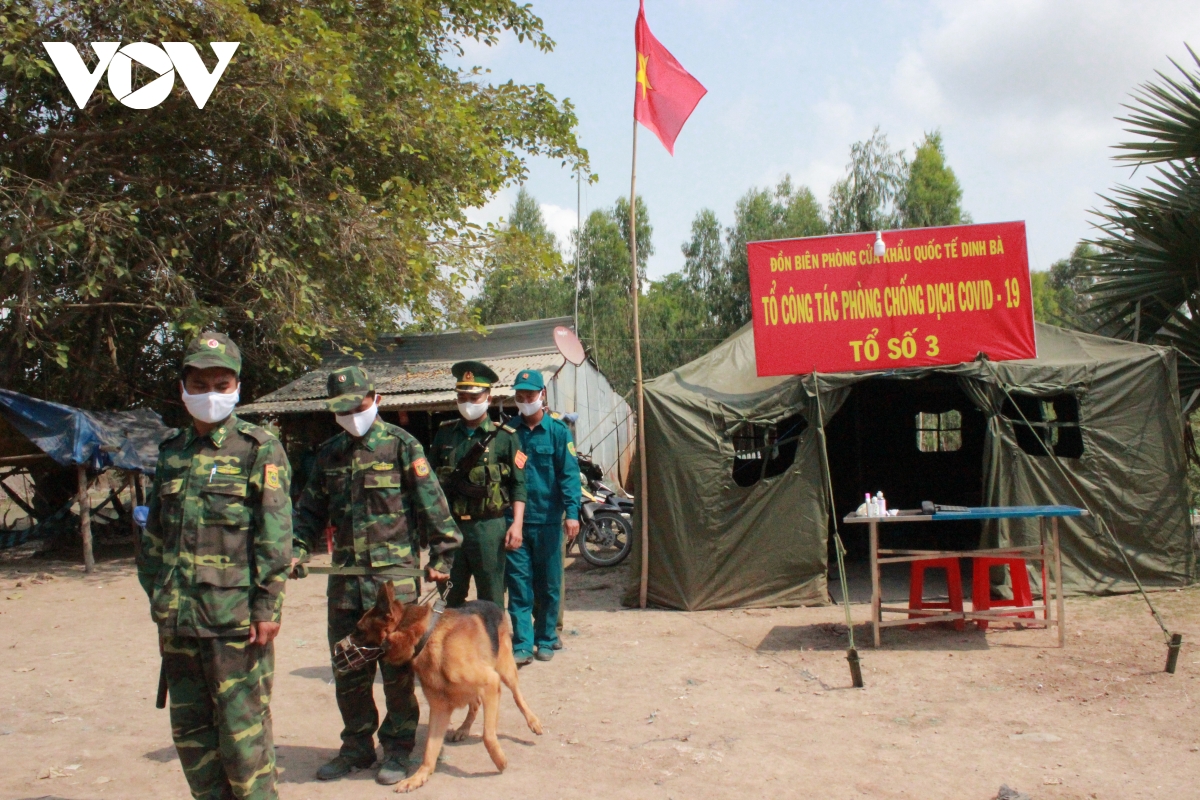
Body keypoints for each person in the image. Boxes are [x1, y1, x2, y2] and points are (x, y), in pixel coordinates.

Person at [138, 331, 292, 800]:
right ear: (182, 387)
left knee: (243, 741)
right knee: (192, 740)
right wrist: (163, 600)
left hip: (235, 625)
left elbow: (274, 535)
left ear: (238, 386)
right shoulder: (172, 452)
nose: (210, 393)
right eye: (200, 382)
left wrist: (266, 609)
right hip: (180, 624)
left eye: (221, 383)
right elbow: (154, 539)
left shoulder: (258, 448)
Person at [291, 366, 461, 786]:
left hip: (394, 589)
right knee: (348, 668)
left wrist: (442, 554)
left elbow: (434, 507)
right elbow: (308, 511)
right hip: (346, 585)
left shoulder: (403, 446)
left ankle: (400, 749)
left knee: (398, 674)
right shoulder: (328, 453)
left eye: (358, 404)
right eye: (341, 408)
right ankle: (356, 747)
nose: (351, 413)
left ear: (376, 399)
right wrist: (295, 547)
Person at [430, 361, 526, 608]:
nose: (467, 402)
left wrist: (516, 524)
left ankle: (494, 647)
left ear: (488, 398)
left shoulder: (504, 438)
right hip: (450, 531)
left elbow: (518, 485)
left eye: (474, 396)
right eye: (462, 397)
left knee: (491, 601)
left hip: (489, 528)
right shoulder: (445, 434)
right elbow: (428, 486)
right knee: (450, 600)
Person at [505, 368, 581, 664]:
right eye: (520, 396)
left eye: (530, 396)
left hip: (549, 521)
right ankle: (523, 643)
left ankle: (547, 637)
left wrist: (572, 514)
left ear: (542, 396)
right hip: (517, 524)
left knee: (549, 585)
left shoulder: (559, 432)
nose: (525, 401)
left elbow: (569, 475)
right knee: (519, 585)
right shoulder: (509, 433)